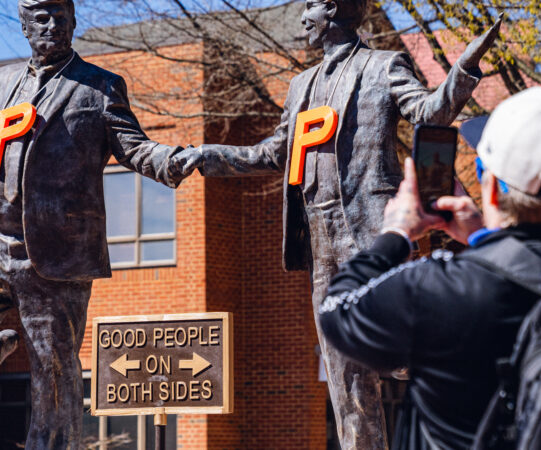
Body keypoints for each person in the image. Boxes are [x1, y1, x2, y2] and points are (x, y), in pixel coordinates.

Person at [0, 0, 201, 448]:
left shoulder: (99, 87)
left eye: (61, 16)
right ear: (25, 26)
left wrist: (171, 161)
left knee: (54, 374)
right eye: (41, 17)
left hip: (57, 255)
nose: (53, 25)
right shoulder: (3, 82)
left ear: (73, 23)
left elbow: (135, 148)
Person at [187, 0, 501, 447]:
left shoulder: (383, 65)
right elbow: (273, 154)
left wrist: (463, 69)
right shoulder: (300, 85)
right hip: (319, 236)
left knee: (403, 354)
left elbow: (429, 113)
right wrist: (206, 157)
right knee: (343, 371)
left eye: (309, 6)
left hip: (372, 230)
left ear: (332, 9)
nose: (301, 18)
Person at [318, 87, 541, 449]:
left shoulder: (442, 289)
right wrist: (483, 237)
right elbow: (540, 271)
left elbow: (335, 312)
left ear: (491, 187)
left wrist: (396, 232)